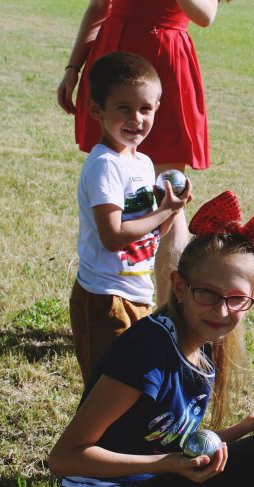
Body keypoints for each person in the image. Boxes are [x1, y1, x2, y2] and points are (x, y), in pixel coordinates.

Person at [50, 191, 254, 487]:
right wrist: (166, 465)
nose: (221, 310)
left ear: (253, 299)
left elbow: (169, 447)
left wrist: (251, 425)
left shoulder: (200, 348)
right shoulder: (147, 353)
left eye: (236, 299)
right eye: (207, 294)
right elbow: (64, 457)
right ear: (179, 287)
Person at [57, 0, 228, 306]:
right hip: (114, 55)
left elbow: (204, 15)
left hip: (164, 62)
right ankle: (105, 293)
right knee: (113, 180)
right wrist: (73, 67)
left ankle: (168, 313)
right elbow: (99, 6)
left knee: (169, 195)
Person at [70, 51, 192, 385]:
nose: (136, 118)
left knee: (133, 387)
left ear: (157, 108)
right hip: (105, 297)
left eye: (145, 108)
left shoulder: (143, 163)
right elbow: (112, 236)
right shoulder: (105, 165)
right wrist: (163, 211)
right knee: (106, 388)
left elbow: (151, 233)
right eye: (123, 108)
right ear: (97, 109)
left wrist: (171, 210)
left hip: (138, 293)